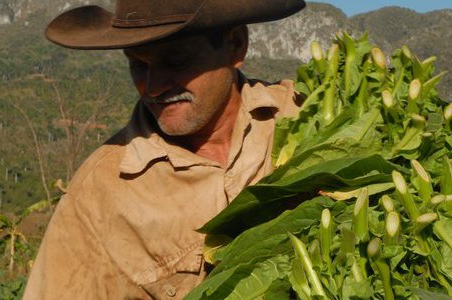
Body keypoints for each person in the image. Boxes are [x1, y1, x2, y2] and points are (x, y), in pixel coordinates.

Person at [24, 0, 306, 298]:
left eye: (176, 61)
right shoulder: (100, 191)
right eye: (138, 65)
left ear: (236, 47)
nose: (154, 86)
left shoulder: (303, 116)